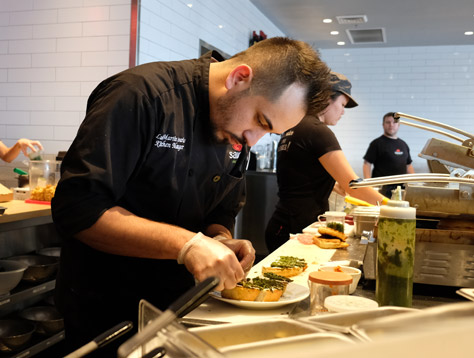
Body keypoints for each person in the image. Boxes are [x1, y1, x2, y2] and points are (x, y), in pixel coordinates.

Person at [51, 37, 332, 356]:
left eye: (270, 132)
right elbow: (78, 209)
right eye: (260, 121)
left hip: (184, 309)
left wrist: (220, 239)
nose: (254, 140)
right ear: (238, 78)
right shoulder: (141, 95)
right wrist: (186, 245)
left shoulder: (238, 134)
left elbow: (221, 212)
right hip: (107, 312)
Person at [265, 72, 387, 253]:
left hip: (283, 224)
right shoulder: (318, 131)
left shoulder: (294, 126)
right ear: (326, 98)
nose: (343, 112)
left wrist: (344, 190)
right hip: (297, 230)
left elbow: (308, 178)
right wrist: (392, 207)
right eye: (342, 105)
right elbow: (353, 185)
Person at [363, 112, 415, 198]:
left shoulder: (403, 144)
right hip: (382, 190)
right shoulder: (376, 144)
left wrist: (413, 184)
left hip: (401, 191)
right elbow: (366, 164)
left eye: (394, 122)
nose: (391, 125)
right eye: (388, 122)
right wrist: (369, 184)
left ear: (398, 125)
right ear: (383, 125)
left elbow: (408, 165)